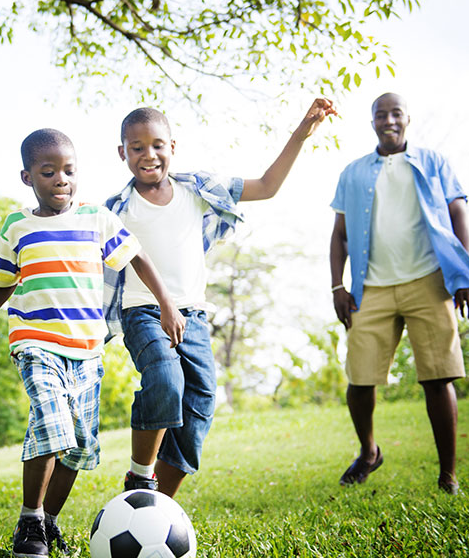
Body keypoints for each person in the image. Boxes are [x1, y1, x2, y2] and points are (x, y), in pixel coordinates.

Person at [0, 128, 185, 558]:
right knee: (52, 426)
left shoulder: (96, 218)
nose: (61, 180)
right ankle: (29, 521)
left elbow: (137, 256)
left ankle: (47, 522)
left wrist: (166, 302)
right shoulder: (17, 226)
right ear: (28, 177)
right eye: (48, 172)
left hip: (86, 351)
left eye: (69, 171)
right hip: (35, 344)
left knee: (80, 445)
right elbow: (3, 283)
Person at [104, 98, 337, 498]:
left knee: (200, 406)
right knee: (165, 379)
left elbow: (267, 186)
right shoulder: (115, 211)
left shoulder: (197, 190)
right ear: (122, 152)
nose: (149, 154)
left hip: (192, 317)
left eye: (157, 144)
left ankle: (154, 506)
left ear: (173, 148)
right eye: (137, 147)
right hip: (142, 312)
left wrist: (301, 133)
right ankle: (140, 475)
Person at [329, 92, 469, 494]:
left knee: (439, 377)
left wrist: (466, 273)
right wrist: (337, 286)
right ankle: (369, 452)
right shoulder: (355, 171)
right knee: (360, 380)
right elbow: (339, 234)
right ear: (373, 122)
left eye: (396, 113)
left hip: (428, 281)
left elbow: (458, 213)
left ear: (408, 119)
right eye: (381, 115)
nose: (389, 120)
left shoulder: (434, 162)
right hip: (372, 287)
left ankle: (448, 476)